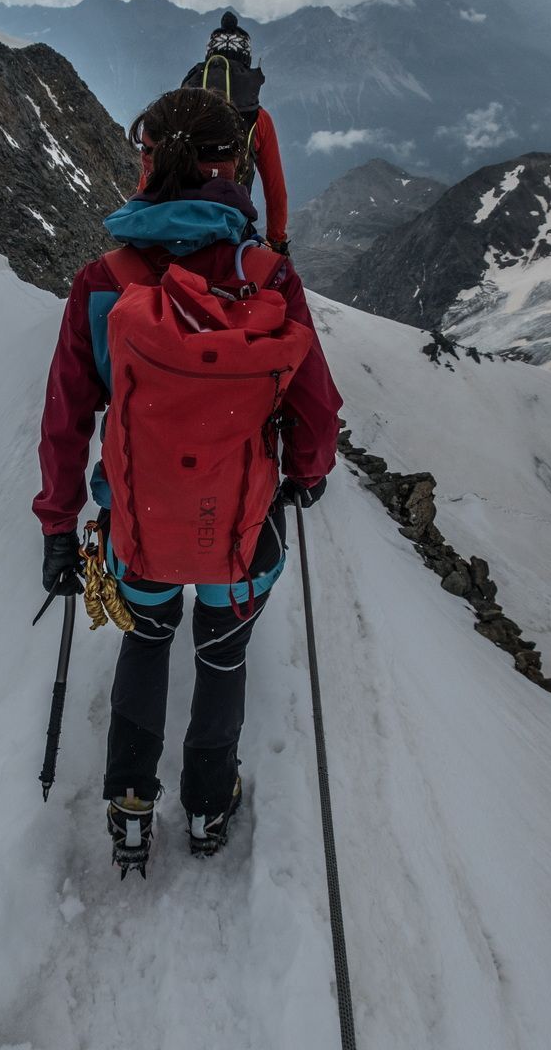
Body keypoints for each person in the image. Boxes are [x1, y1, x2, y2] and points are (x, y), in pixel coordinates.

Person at [33, 87, 342, 876]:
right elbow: (315, 406)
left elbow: (67, 421)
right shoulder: (268, 278)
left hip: (140, 532)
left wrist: (59, 530)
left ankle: (131, 803)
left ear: (148, 163)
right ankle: (207, 803)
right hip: (242, 533)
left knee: (147, 642)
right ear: (233, 164)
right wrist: (305, 476)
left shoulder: (102, 283)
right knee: (223, 657)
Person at [178, 10, 289, 252]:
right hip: (232, 231)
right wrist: (277, 240)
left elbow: (152, 169)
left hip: (176, 224)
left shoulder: (177, 110)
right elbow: (275, 190)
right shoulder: (259, 118)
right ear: (245, 63)